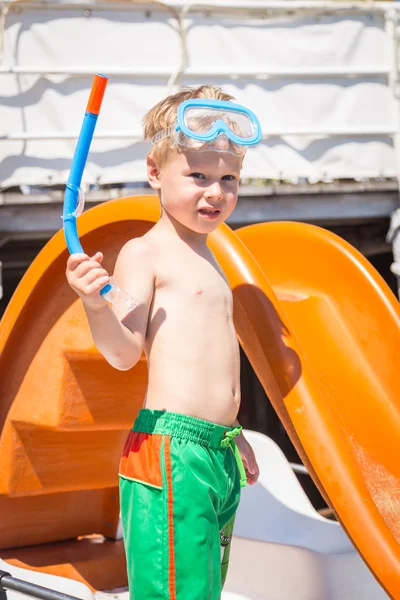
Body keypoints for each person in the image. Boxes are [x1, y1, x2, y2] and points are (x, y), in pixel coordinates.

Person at [66, 84, 261, 599]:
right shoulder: (144, 251)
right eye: (198, 175)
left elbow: (209, 363)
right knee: (174, 590)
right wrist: (93, 303)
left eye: (228, 179)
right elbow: (125, 351)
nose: (215, 192)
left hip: (213, 450)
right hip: (171, 450)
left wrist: (233, 432)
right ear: (155, 171)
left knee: (202, 586)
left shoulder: (213, 257)